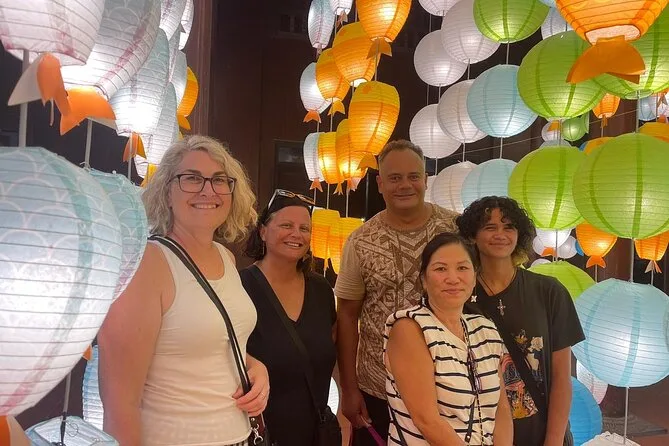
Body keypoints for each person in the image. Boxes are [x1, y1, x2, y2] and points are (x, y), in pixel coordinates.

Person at [98, 135, 269, 446]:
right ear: (167, 191)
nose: (208, 190)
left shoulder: (226, 258)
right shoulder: (147, 265)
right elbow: (119, 403)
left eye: (219, 180)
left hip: (240, 435)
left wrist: (255, 367)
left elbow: (212, 343)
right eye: (192, 178)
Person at [335, 140, 459, 445]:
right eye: (394, 178)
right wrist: (349, 389)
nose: (405, 185)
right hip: (379, 388)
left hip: (449, 386)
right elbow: (347, 316)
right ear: (380, 184)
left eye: (413, 176)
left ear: (426, 180)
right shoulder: (360, 241)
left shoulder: (456, 230)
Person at [456, 196, 585, 446]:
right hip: (480, 433)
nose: (500, 234)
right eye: (490, 227)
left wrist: (553, 440)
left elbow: (561, 376)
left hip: (540, 431)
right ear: (472, 236)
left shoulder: (548, 291)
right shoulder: (459, 296)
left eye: (509, 227)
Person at [384, 233, 513, 446]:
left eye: (462, 268)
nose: (453, 278)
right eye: (440, 269)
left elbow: (502, 409)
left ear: (474, 277)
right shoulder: (409, 328)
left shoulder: (485, 329)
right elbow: (427, 421)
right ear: (424, 280)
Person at [240, 189, 338, 446]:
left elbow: (330, 347)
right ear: (263, 231)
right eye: (286, 225)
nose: (297, 234)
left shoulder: (321, 290)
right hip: (260, 435)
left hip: (317, 434)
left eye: (304, 228)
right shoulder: (238, 287)